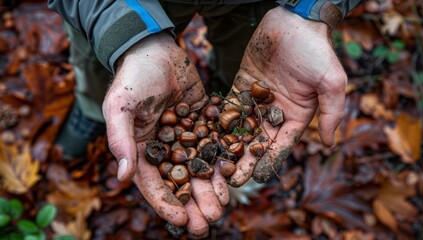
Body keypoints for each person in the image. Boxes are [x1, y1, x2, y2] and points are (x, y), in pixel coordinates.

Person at [48, 0, 363, 238]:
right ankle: (92, 109)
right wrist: (123, 35)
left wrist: (310, 10)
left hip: (265, 6)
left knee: (247, 71)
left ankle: (225, 100)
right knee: (107, 69)